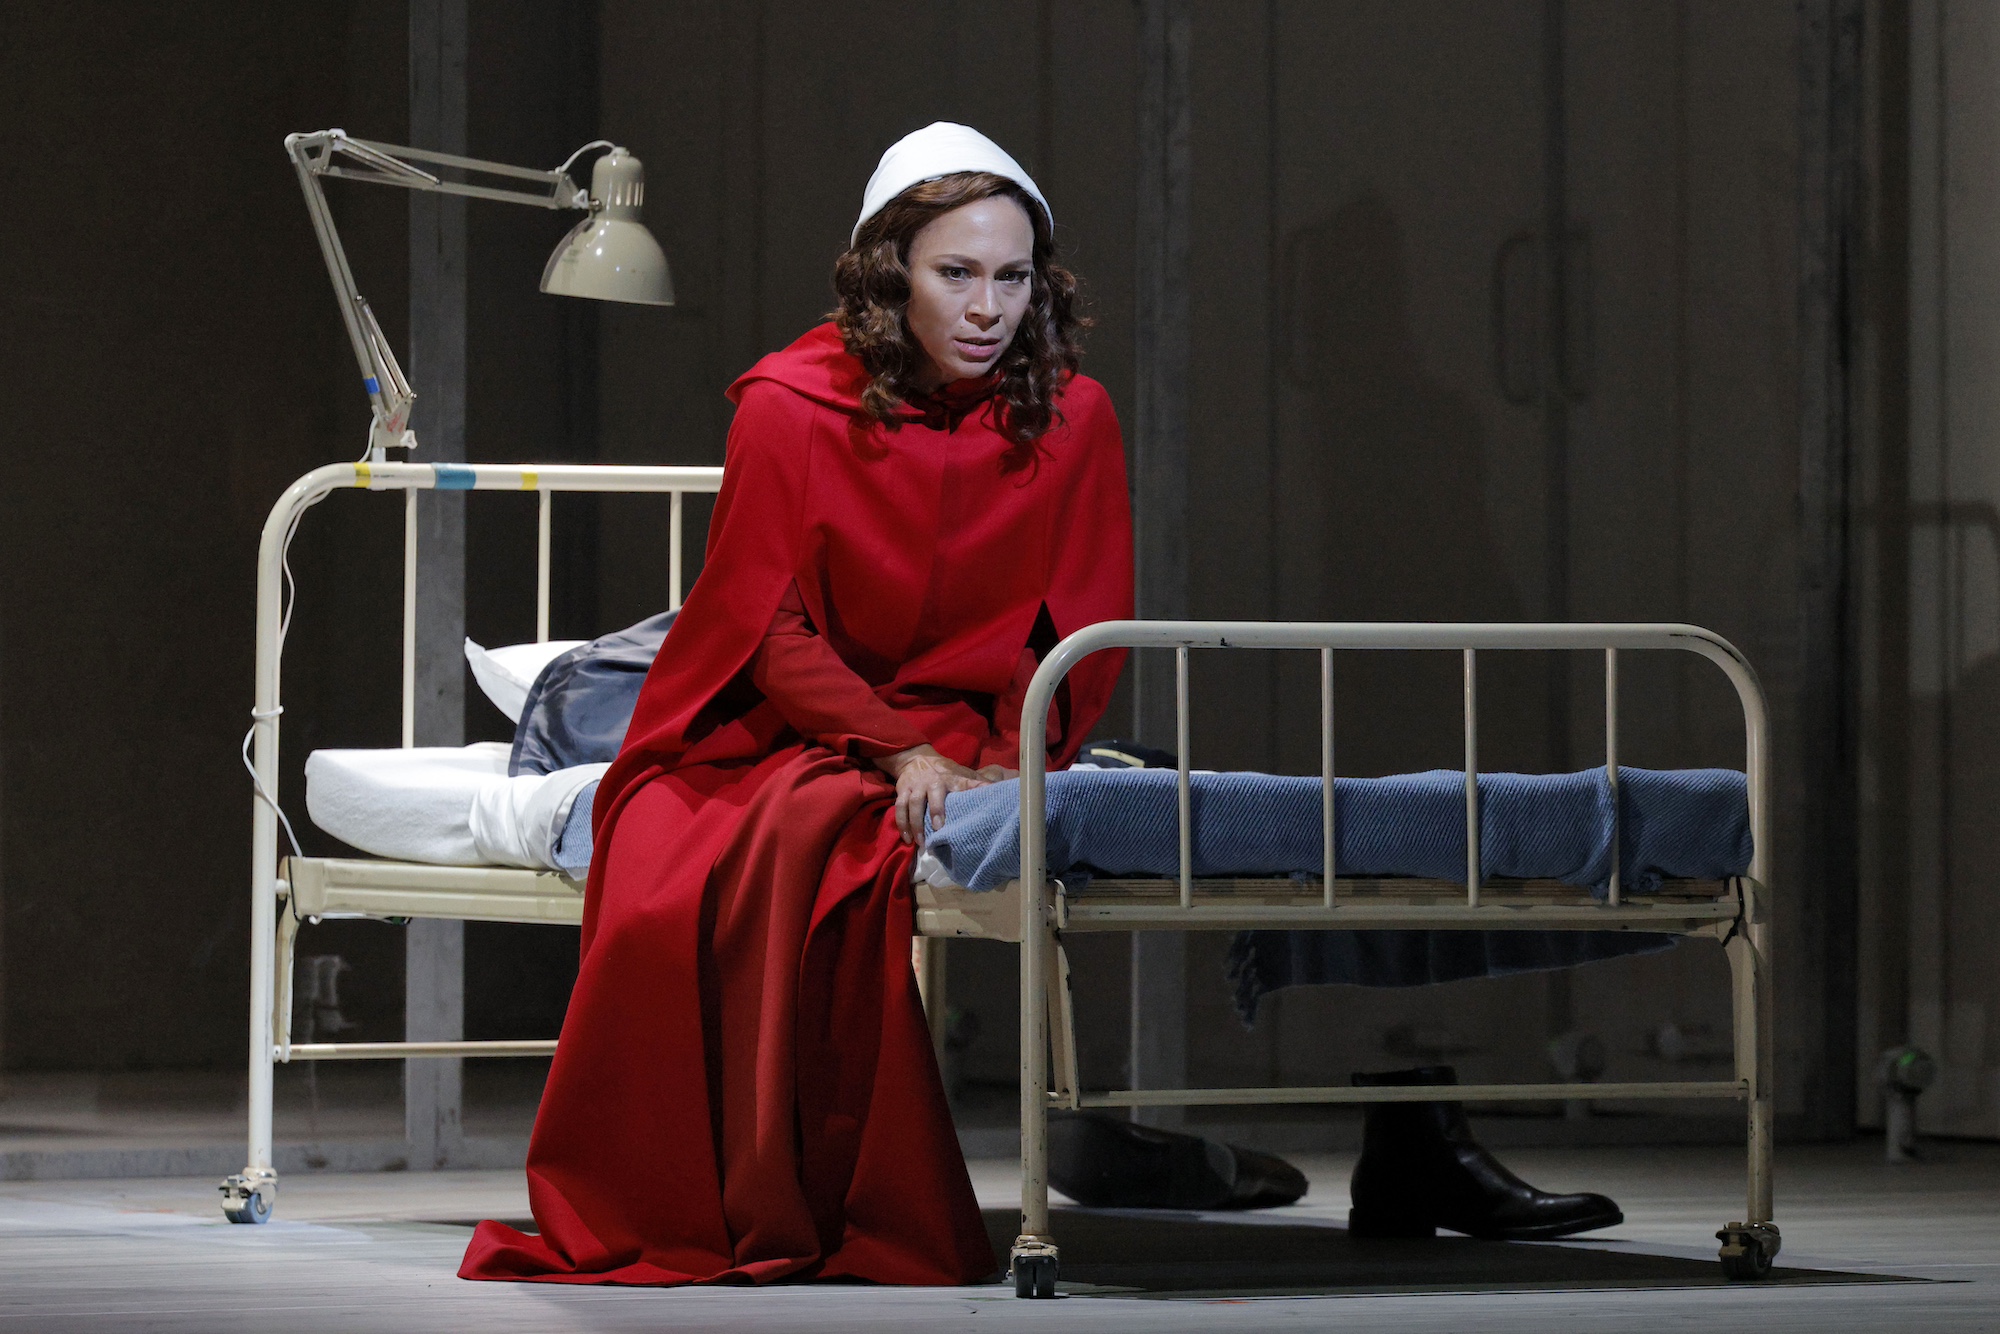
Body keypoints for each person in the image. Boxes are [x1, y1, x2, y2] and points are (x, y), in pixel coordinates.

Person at [459, 123, 1132, 1286]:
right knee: (688, 845)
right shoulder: (787, 402)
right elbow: (763, 629)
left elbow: (1070, 636)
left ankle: (812, 1185)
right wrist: (893, 745)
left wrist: (1007, 754)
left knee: (824, 842)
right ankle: (703, 1196)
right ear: (889, 273)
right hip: (785, 717)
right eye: (954, 273)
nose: (987, 307)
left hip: (975, 726)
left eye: (1012, 277)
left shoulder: (1073, 417)